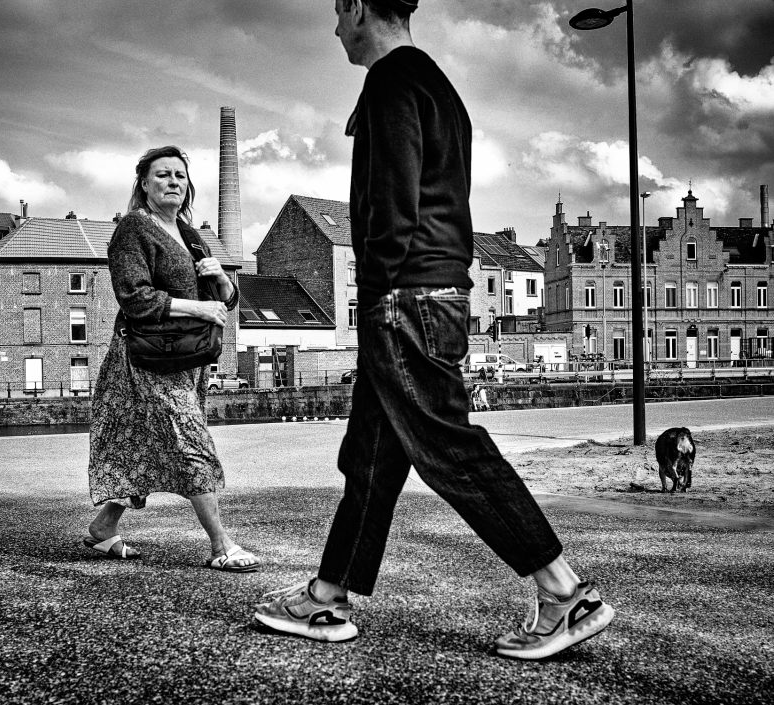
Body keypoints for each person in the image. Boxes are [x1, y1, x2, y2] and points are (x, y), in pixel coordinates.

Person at [254, 0, 613, 658]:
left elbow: (393, 208)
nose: (335, 29)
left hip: (405, 296)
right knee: (370, 455)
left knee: (450, 446)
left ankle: (564, 591)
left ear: (359, 7)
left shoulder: (391, 83)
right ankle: (325, 597)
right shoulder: (441, 90)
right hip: (435, 292)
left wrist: (377, 304)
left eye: (336, 13)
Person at [85, 145, 260, 573]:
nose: (173, 182)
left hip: (188, 358)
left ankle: (102, 529)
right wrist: (197, 307)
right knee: (189, 442)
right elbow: (134, 297)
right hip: (147, 361)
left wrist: (221, 280)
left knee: (143, 446)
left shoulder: (189, 232)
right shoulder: (132, 230)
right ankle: (221, 545)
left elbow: (225, 301)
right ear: (144, 183)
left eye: (180, 176)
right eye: (162, 175)